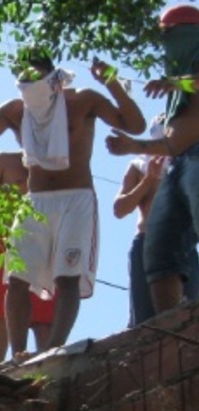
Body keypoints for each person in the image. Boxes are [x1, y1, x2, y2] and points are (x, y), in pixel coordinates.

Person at [0, 49, 145, 359]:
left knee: (66, 279)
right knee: (16, 280)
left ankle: (54, 348)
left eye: (35, 74)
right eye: (22, 76)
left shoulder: (82, 100)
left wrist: (111, 81)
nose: (29, 82)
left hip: (76, 198)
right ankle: (19, 353)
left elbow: (134, 125)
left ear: (51, 74)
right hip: (35, 201)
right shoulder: (15, 111)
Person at [107, 4, 199, 318]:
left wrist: (177, 83)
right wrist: (134, 145)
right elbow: (174, 142)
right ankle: (169, 330)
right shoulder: (177, 90)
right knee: (159, 252)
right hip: (183, 162)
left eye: (174, 36)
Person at [113, 114, 199, 327]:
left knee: (190, 316)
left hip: (183, 245)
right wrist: (148, 180)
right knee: (146, 320)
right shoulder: (138, 166)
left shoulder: (188, 164)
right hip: (146, 242)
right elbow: (120, 208)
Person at [0, 152, 54, 362]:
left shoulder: (51, 159)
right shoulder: (1, 161)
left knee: (44, 314)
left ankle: (47, 364)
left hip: (41, 234)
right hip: (1, 238)